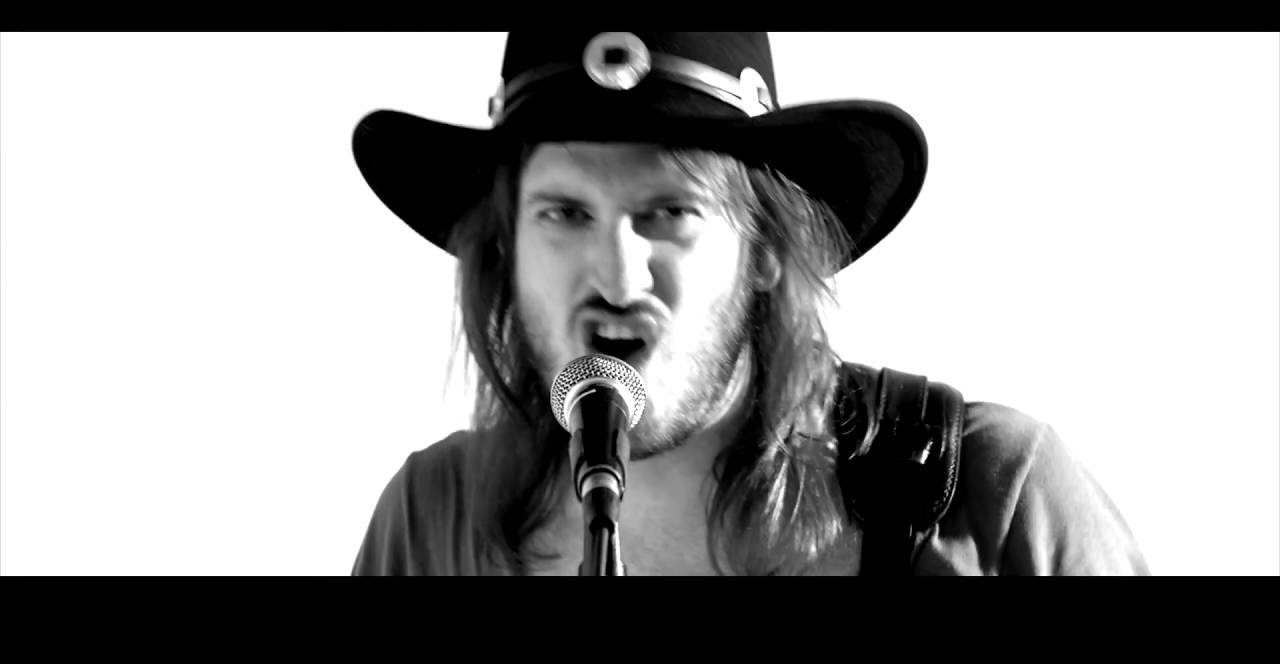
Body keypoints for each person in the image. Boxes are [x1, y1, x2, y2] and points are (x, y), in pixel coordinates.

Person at [348, 31, 1149, 575]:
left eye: (670, 211)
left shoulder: (993, 496)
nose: (617, 278)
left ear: (765, 249)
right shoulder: (430, 521)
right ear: (505, 249)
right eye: (565, 213)